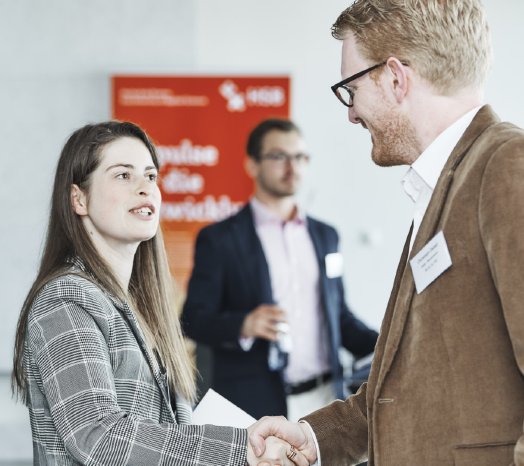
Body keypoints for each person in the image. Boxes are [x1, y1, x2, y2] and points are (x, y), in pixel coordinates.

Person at [249, 1, 524, 465]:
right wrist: (310, 437)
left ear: (396, 78)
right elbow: (403, 390)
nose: (351, 114)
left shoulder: (505, 165)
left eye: (351, 89)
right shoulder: (444, 185)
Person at [11, 121, 308, 466]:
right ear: (79, 198)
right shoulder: (65, 297)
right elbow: (97, 435)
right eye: (124, 175)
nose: (145, 188)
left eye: (151, 176)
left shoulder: (139, 304)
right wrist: (246, 448)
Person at [182, 118, 378, 421]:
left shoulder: (326, 236)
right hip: (253, 404)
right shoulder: (220, 239)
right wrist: (244, 324)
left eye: (300, 157)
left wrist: (391, 344)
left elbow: (338, 317)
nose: (293, 166)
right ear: (252, 165)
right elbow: (193, 320)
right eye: (278, 156)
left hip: (325, 400)